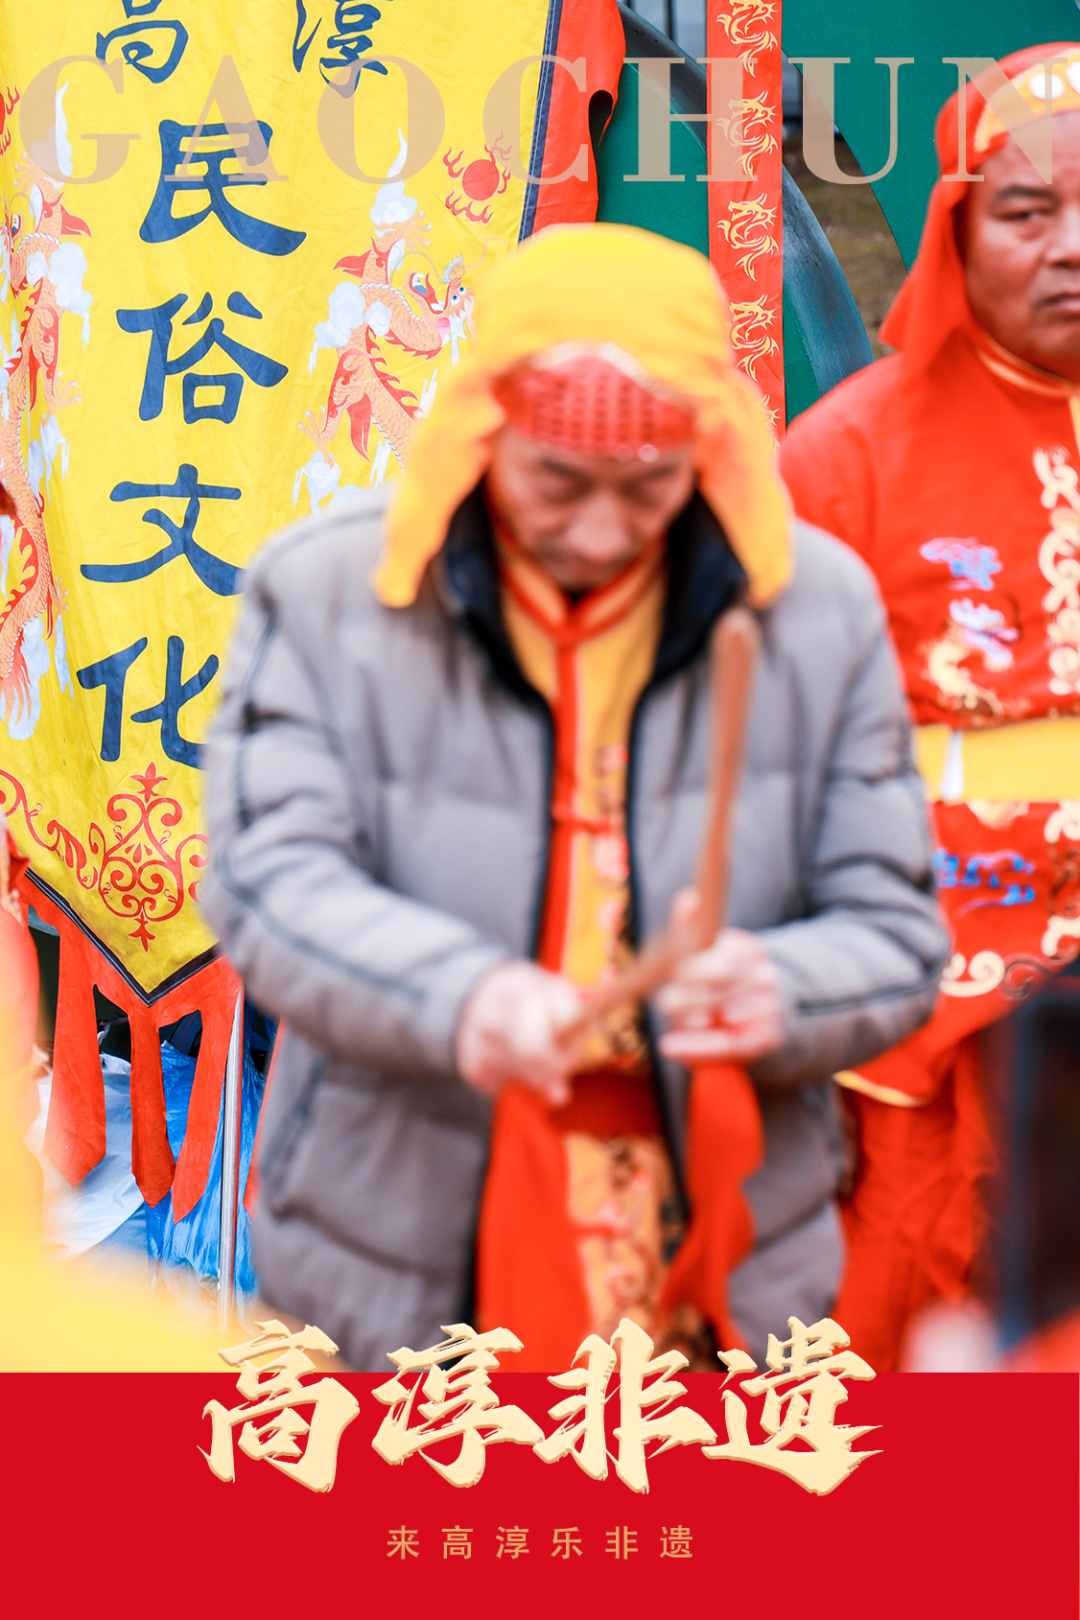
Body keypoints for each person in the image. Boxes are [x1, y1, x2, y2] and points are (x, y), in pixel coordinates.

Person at [201, 223, 945, 1373]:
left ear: (706, 452)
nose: (600, 529)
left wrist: (785, 987)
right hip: (404, 1214)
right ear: (481, 432)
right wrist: (463, 997)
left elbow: (895, 933)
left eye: (648, 486)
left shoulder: (818, 610)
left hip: (718, 1239)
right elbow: (269, 881)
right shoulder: (327, 593)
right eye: (555, 480)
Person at [781, 44, 1080, 1369]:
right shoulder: (842, 459)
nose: (1072, 247)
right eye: (1027, 210)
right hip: (918, 1018)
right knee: (893, 1381)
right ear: (957, 226)